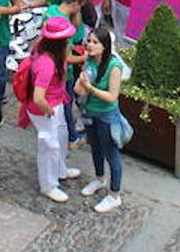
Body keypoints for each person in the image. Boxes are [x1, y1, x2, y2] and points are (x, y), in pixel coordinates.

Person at [28, 14, 80, 203]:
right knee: (49, 145)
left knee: (61, 135)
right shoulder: (47, 64)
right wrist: (48, 110)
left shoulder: (47, 50)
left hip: (55, 103)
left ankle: (60, 170)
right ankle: (48, 185)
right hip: (45, 109)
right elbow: (38, 97)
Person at [75, 25, 127, 213]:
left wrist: (90, 89)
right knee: (95, 147)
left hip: (106, 115)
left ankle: (114, 194)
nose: (90, 45)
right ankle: (99, 179)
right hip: (90, 112)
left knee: (111, 155)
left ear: (105, 46)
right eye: (89, 41)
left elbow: (112, 96)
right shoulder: (89, 61)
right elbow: (78, 88)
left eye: (95, 42)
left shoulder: (114, 66)